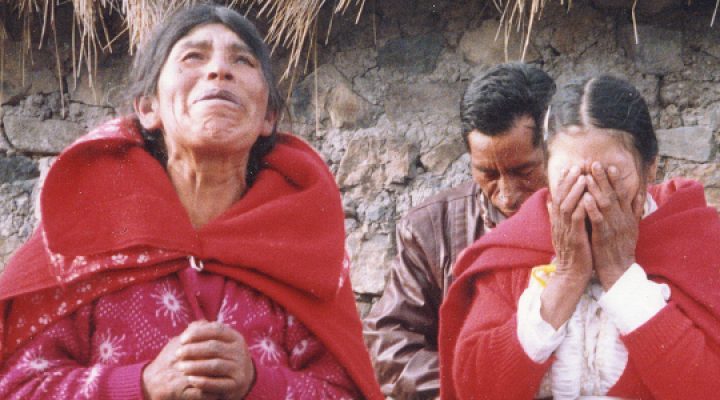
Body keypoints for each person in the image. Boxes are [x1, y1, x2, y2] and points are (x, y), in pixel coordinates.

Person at [0, 5, 382, 399]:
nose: (219, 71)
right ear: (148, 108)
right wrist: (141, 385)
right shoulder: (83, 235)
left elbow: (346, 392)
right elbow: (17, 387)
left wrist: (259, 384)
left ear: (268, 116)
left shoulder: (299, 248)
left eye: (242, 61)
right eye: (193, 57)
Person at [440, 75, 720, 399]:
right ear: (545, 172)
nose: (590, 197)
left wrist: (620, 276)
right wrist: (567, 278)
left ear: (650, 167)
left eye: (609, 176)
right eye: (569, 177)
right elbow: (473, 389)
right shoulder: (515, 248)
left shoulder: (697, 242)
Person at [363, 63, 555, 399]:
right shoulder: (430, 227)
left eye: (523, 171)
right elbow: (389, 340)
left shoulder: (591, 215)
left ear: (554, 147)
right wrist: (469, 388)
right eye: (488, 174)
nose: (507, 194)